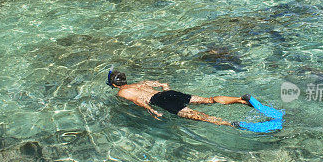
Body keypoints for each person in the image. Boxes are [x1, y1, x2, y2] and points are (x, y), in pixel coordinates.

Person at [107, 70, 253, 127]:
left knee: (202, 117)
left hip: (160, 101)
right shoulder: (141, 83)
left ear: (114, 84)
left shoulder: (122, 93)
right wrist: (167, 91)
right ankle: (240, 99)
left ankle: (231, 124)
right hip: (169, 94)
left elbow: (138, 101)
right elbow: (162, 84)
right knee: (209, 100)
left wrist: (152, 111)